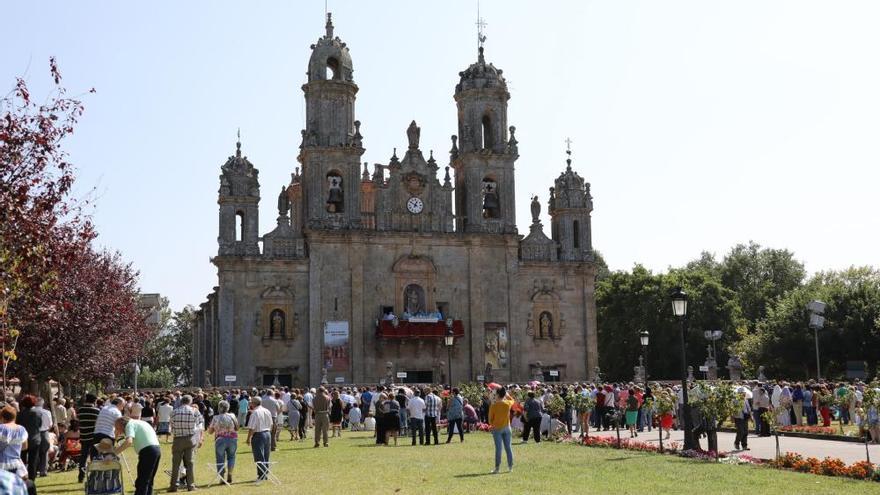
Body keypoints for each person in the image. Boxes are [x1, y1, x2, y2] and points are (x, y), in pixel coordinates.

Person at [112, 416, 161, 495]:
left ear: (122, 424)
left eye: (117, 428)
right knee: (148, 480)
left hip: (147, 452)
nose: (118, 431)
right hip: (156, 450)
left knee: (142, 481)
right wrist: (116, 435)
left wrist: (114, 453)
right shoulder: (139, 422)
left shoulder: (129, 425)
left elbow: (129, 441)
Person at [168, 395, 202, 492]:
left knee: (176, 464)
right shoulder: (195, 411)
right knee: (190, 463)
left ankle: (173, 486)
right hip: (190, 438)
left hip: (177, 439)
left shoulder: (174, 412)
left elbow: (171, 426)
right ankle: (190, 485)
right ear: (190, 402)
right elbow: (200, 424)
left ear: (181, 401)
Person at [207, 400, 238, 484]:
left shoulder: (215, 418)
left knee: (220, 459)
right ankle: (230, 474)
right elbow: (237, 427)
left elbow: (210, 432)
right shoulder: (232, 416)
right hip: (232, 438)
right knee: (231, 457)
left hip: (220, 439)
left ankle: (222, 477)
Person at [245, 396, 272, 482]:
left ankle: (261, 475)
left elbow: (252, 427)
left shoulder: (255, 412)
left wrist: (248, 438)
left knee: (259, 456)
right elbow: (271, 424)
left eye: (251, 402)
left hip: (259, 434)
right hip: (267, 433)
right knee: (266, 455)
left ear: (253, 403)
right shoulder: (267, 411)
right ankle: (265, 473)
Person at [489, 386, 514, 474]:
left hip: (497, 428)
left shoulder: (494, 405)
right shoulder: (508, 403)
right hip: (507, 427)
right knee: (508, 448)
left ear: (498, 394)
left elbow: (490, 419)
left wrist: (493, 425)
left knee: (499, 449)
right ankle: (510, 467)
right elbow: (512, 400)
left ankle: (497, 468)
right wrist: (507, 395)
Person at [75, 393, 100, 483]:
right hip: (93, 437)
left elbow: (78, 421)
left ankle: (81, 476)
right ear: (94, 401)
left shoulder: (80, 410)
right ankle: (93, 476)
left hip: (84, 436)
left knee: (83, 457)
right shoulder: (97, 411)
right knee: (94, 457)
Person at [15, 396, 41, 481]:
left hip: (22, 440)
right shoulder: (38, 413)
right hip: (35, 439)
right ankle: (32, 480)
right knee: (32, 461)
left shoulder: (20, 414)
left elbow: (17, 425)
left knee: (22, 461)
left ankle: (22, 478)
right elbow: (39, 425)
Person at [33, 398, 53, 477]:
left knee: (34, 453)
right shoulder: (47, 412)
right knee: (44, 453)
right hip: (44, 432)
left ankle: (34, 471)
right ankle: (43, 471)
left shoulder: (32, 412)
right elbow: (50, 425)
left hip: (35, 433)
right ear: (42, 403)